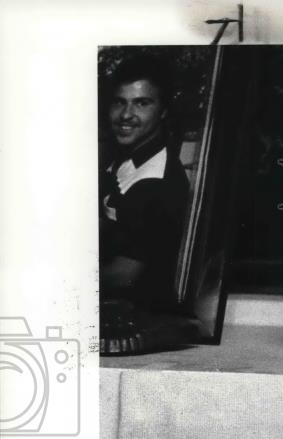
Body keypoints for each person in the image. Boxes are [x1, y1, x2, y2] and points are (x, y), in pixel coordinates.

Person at [99, 54, 190, 310]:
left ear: (163, 111)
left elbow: (123, 275)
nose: (126, 115)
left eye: (141, 103)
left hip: (137, 318)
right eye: (119, 102)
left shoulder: (158, 183)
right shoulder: (123, 159)